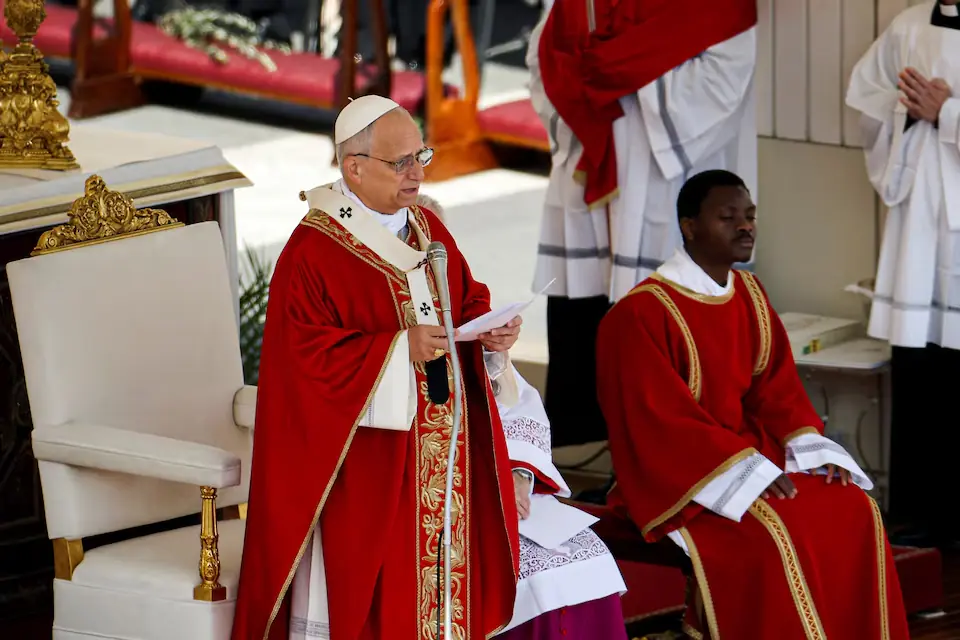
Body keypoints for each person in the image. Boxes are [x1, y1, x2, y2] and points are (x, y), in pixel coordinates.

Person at [232, 95, 524, 640]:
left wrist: (490, 335)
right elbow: (305, 365)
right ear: (353, 167)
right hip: (368, 468)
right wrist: (396, 351)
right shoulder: (313, 252)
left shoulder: (427, 230)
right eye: (401, 163)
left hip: (442, 458)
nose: (417, 173)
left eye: (422, 156)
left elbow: (465, 299)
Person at [596, 170, 910, 639]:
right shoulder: (640, 313)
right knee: (772, 534)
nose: (745, 226)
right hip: (679, 477)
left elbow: (776, 390)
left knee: (854, 507)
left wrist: (812, 451)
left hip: (751, 456)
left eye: (750, 216)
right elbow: (655, 420)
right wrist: (745, 471)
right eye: (727, 217)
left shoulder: (750, 295)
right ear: (689, 226)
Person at [526, 0, 758, 446]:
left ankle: (666, 461)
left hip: (661, 175)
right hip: (588, 162)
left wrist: (620, 75)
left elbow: (723, 76)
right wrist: (592, 81)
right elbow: (545, 53)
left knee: (663, 335)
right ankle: (584, 461)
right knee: (585, 324)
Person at [845, 0, 960, 548]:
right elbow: (867, 100)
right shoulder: (909, 26)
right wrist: (906, 112)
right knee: (919, 367)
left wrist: (949, 112)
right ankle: (916, 511)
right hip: (920, 222)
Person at [487, 359, 627, 639]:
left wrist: (518, 472)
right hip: (432, 490)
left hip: (500, 478)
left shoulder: (467, 338)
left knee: (586, 563)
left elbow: (516, 404)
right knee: (533, 584)